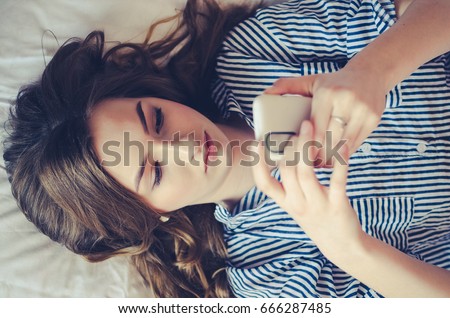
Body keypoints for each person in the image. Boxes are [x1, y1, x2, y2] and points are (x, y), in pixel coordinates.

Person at [3, 0, 450, 298]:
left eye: (156, 119)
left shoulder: (253, 53)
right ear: (151, 215)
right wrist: (348, 247)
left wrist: (375, 68)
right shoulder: (265, 275)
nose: (184, 148)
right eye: (154, 171)